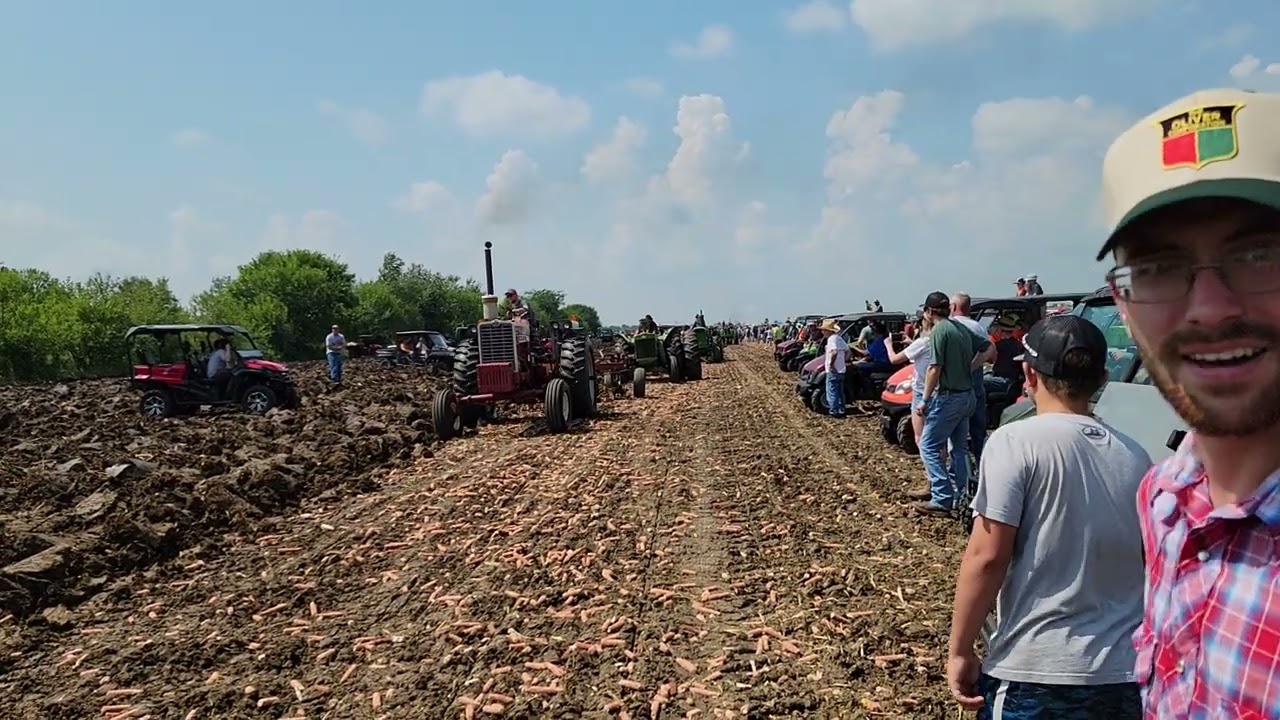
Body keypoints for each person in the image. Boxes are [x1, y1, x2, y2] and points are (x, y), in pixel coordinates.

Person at [1096, 87, 1280, 717]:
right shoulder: (1166, 498)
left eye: (1261, 255)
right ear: (1122, 304)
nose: (1209, 309)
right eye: (1158, 268)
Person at [946, 315, 1150, 719]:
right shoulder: (1137, 455)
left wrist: (960, 650)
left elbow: (987, 557)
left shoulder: (1014, 441)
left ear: (1028, 374)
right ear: (1102, 378)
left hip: (1036, 670)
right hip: (1125, 675)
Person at [915, 291, 978, 516]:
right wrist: (970, 367)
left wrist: (924, 400)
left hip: (949, 397)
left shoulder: (939, 331)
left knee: (928, 446)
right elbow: (989, 349)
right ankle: (963, 493)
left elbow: (934, 368)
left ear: (928, 311)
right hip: (967, 395)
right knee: (959, 449)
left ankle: (942, 498)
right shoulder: (961, 329)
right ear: (948, 309)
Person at [950, 293, 997, 461]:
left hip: (954, 388)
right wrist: (972, 367)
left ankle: (959, 469)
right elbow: (990, 353)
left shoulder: (949, 326)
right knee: (978, 431)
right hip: (975, 384)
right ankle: (982, 464)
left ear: (953, 307)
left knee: (956, 436)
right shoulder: (978, 327)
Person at [887, 312, 935, 450]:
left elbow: (894, 359)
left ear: (922, 324)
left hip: (922, 389)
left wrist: (888, 345)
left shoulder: (922, 342)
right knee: (938, 439)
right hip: (939, 390)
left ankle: (930, 462)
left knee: (920, 438)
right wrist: (910, 342)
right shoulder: (938, 341)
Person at [820, 318, 848, 418]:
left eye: (823, 330)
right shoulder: (839, 338)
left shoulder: (831, 339)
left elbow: (834, 352)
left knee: (832, 391)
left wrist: (831, 365)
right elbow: (848, 351)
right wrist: (843, 361)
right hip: (841, 370)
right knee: (840, 391)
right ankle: (841, 409)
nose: (822, 332)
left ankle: (834, 411)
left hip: (833, 370)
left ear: (828, 330)